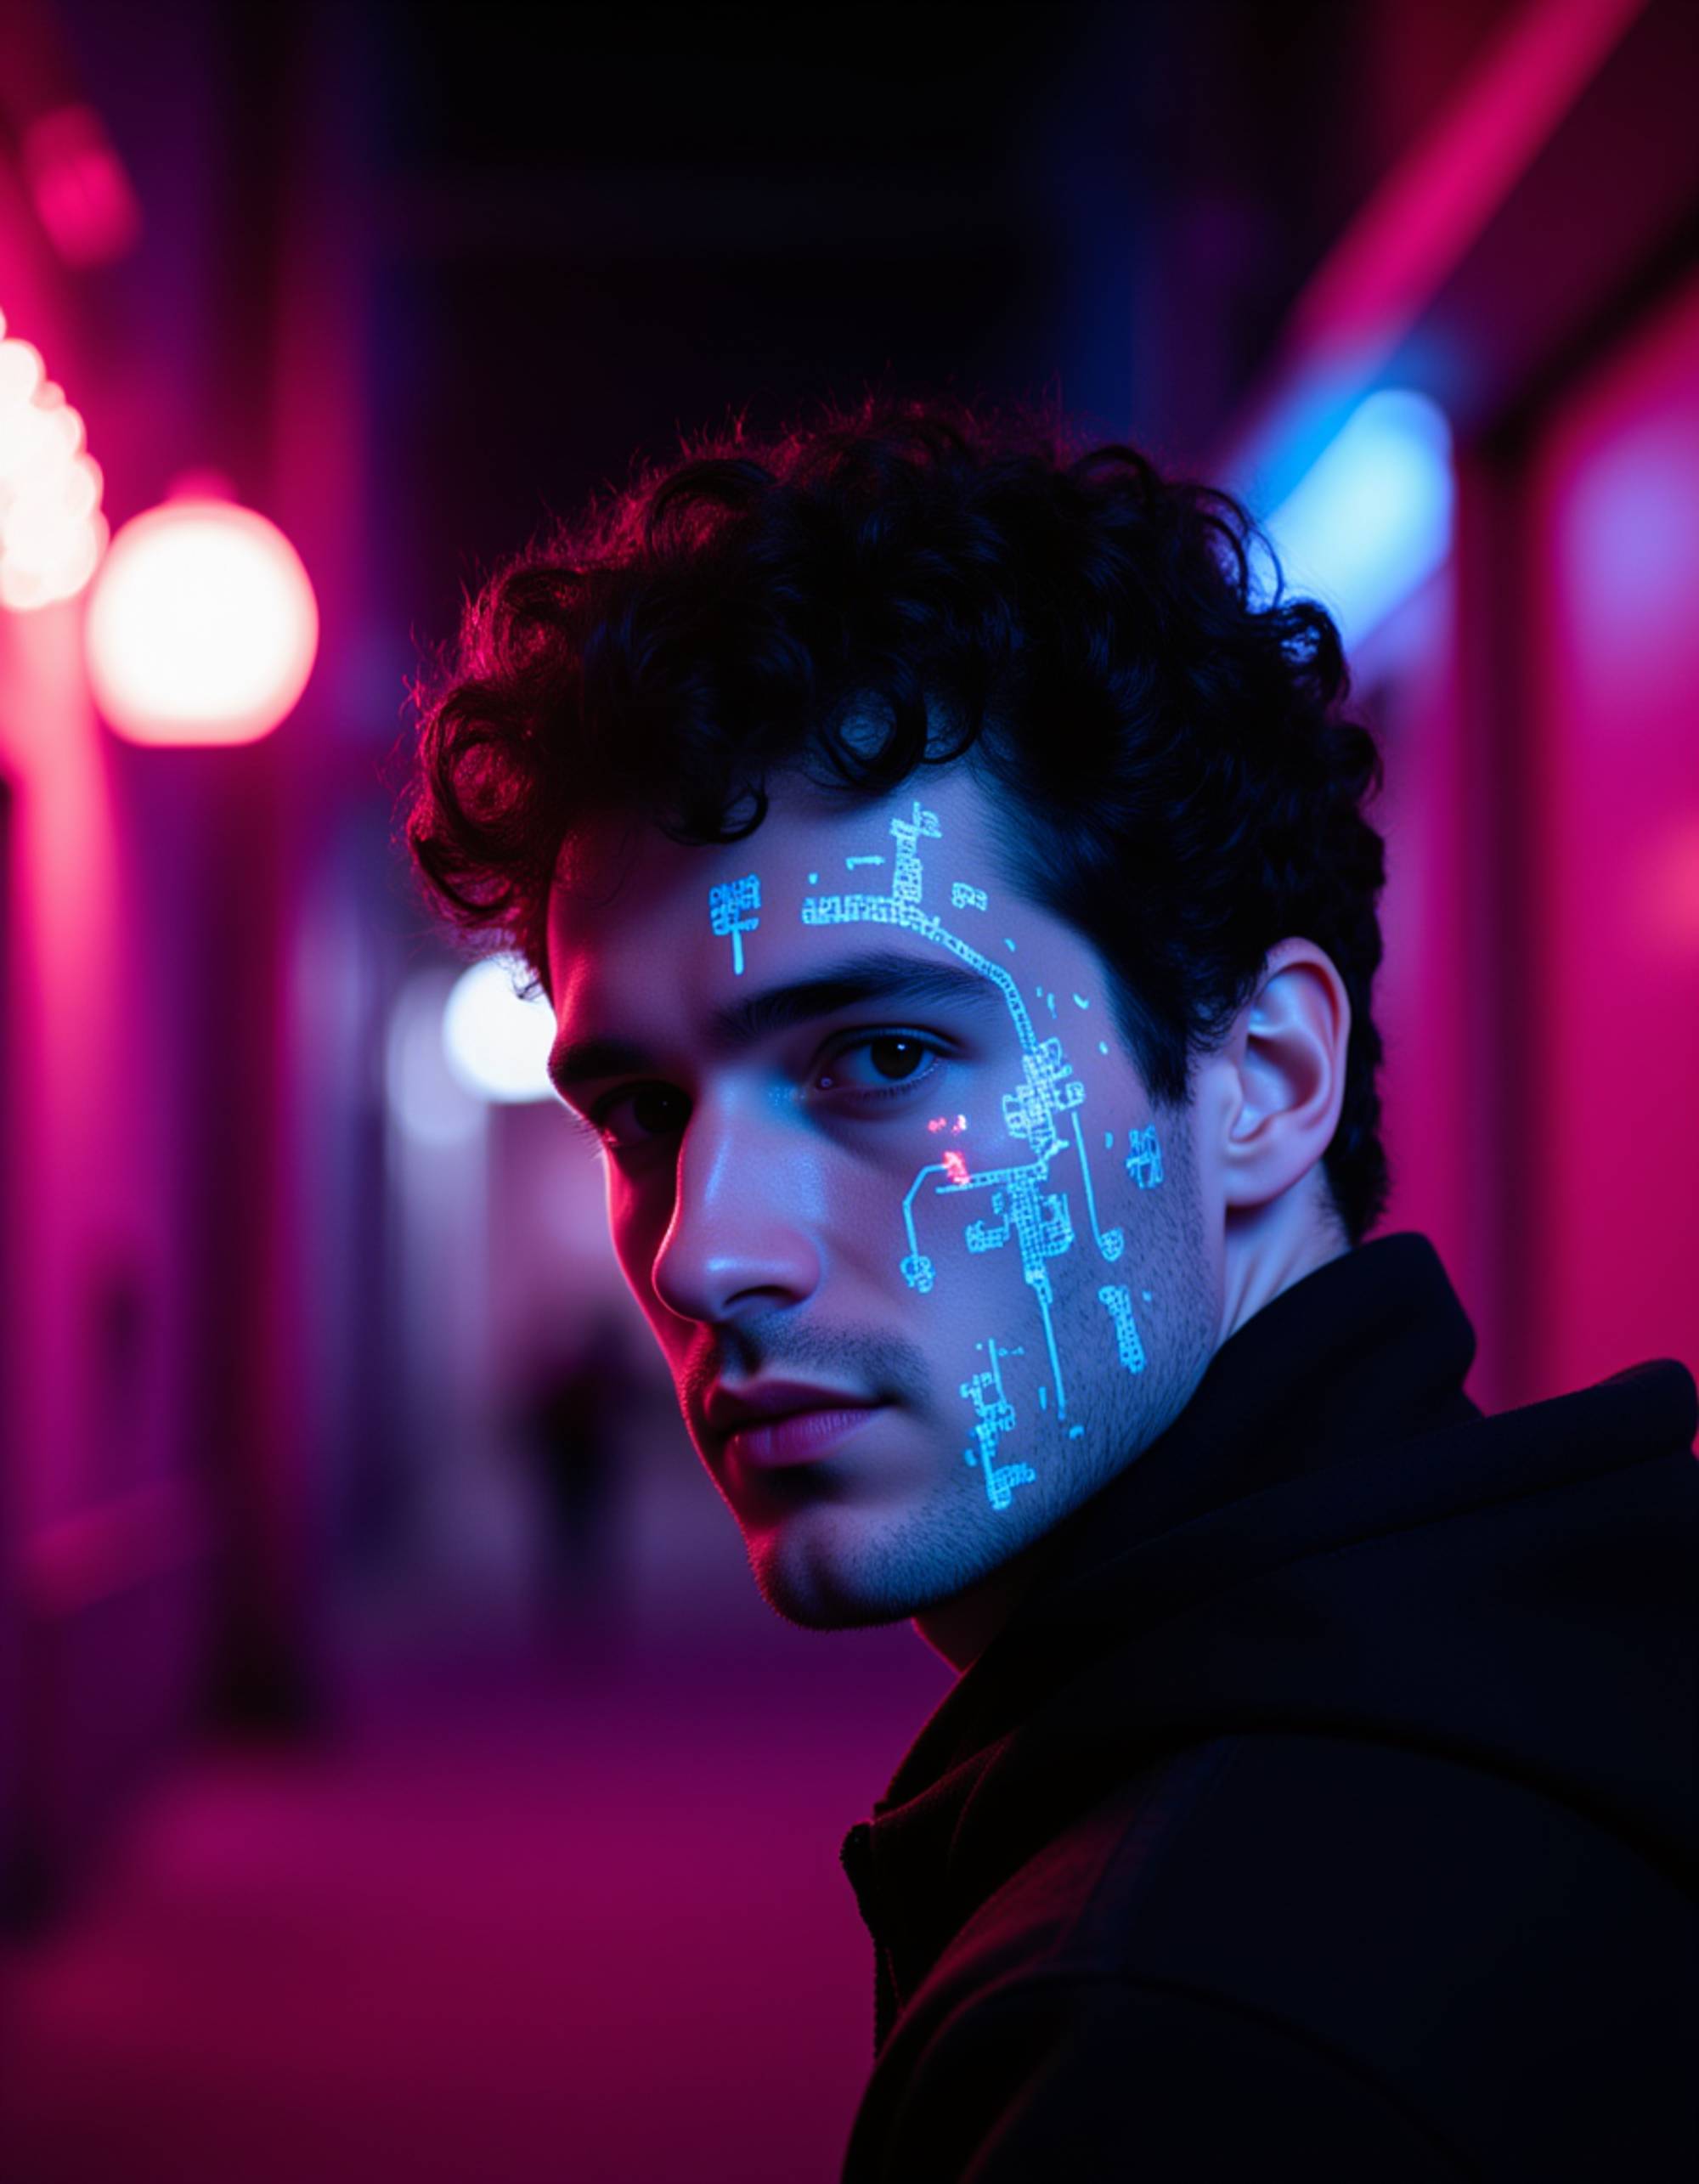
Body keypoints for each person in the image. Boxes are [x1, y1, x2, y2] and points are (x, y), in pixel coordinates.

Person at [404, 398, 1696, 2181]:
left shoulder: (1179, 2035)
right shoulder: (1547, 1662)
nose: (702, 1251)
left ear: (1261, 1077)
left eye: (880, 1054)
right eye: (640, 1112)